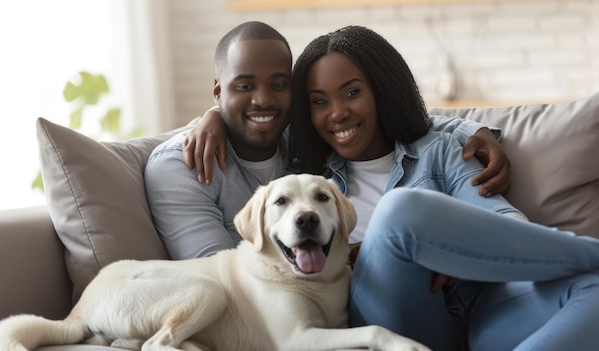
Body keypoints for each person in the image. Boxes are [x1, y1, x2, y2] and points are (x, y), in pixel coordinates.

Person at [286, 25, 599, 351]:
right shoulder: (304, 183)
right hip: (391, 324)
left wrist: (448, 249)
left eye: (352, 93)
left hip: (481, 311)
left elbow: (508, 226)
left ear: (382, 89)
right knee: (398, 209)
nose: (337, 113)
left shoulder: (438, 150)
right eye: (320, 101)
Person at [145, 20, 508, 262]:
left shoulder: (302, 141)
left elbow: (403, 123)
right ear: (218, 91)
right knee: (399, 217)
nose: (263, 100)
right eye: (243, 87)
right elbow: (224, 280)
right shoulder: (179, 166)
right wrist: (213, 117)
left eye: (278, 84)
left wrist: (476, 133)